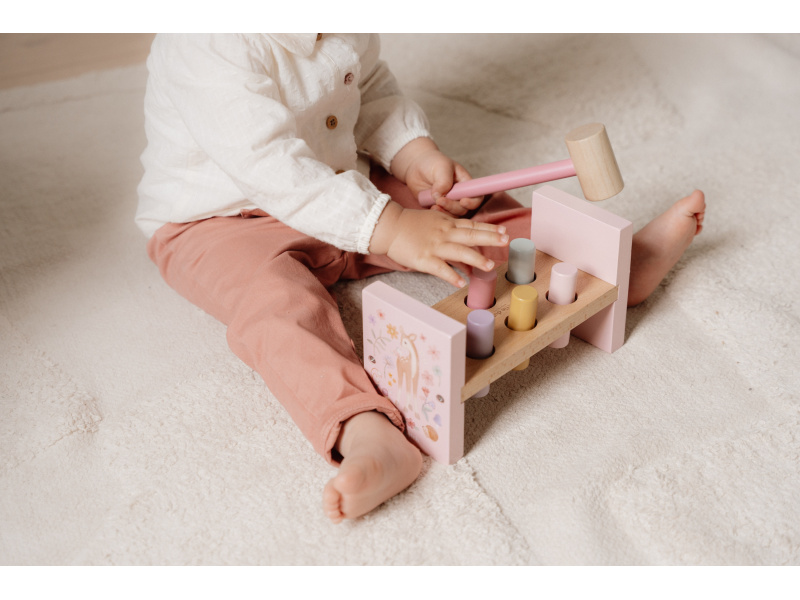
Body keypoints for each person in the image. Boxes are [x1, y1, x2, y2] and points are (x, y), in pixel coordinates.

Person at [137, 34, 706, 524]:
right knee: (273, 308)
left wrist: (414, 156)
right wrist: (389, 227)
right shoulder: (203, 42)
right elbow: (271, 168)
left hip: (343, 182)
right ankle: (363, 427)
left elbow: (370, 89)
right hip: (221, 222)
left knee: (466, 216)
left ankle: (608, 265)